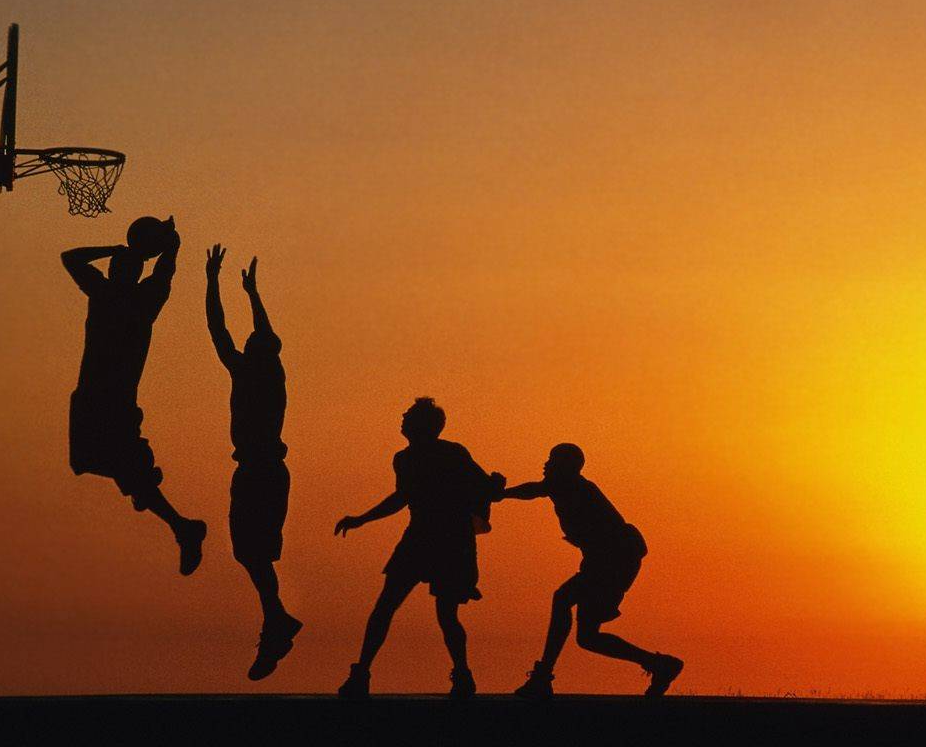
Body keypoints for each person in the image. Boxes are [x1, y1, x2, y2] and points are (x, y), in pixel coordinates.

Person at [63, 216, 207, 574]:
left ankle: (177, 520)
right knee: (102, 466)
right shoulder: (146, 298)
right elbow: (166, 270)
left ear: (117, 270)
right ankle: (164, 507)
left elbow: (70, 258)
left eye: (116, 263)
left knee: (117, 470)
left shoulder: (104, 293)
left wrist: (112, 248)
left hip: (102, 401)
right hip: (104, 401)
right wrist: (171, 244)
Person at [333, 398, 504, 699]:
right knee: (387, 607)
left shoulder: (452, 453)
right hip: (422, 537)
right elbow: (402, 498)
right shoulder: (404, 459)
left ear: (422, 424)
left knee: (442, 614)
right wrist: (362, 519)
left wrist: (496, 486)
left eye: (409, 415)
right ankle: (362, 674)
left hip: (450, 540)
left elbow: (483, 488)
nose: (402, 417)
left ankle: (462, 675)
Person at [498, 443, 682, 698]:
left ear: (565, 468)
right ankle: (660, 665)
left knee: (562, 598)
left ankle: (542, 677)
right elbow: (536, 490)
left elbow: (532, 490)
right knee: (588, 637)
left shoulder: (573, 487)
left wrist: (499, 494)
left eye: (552, 460)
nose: (545, 464)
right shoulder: (567, 487)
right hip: (606, 560)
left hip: (614, 560)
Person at [206, 245, 302, 680]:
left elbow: (218, 330)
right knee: (252, 553)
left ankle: (277, 622)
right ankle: (277, 619)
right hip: (265, 471)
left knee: (252, 553)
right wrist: (252, 293)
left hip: (258, 471)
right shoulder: (272, 372)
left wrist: (212, 283)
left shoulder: (248, 374)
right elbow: (259, 333)